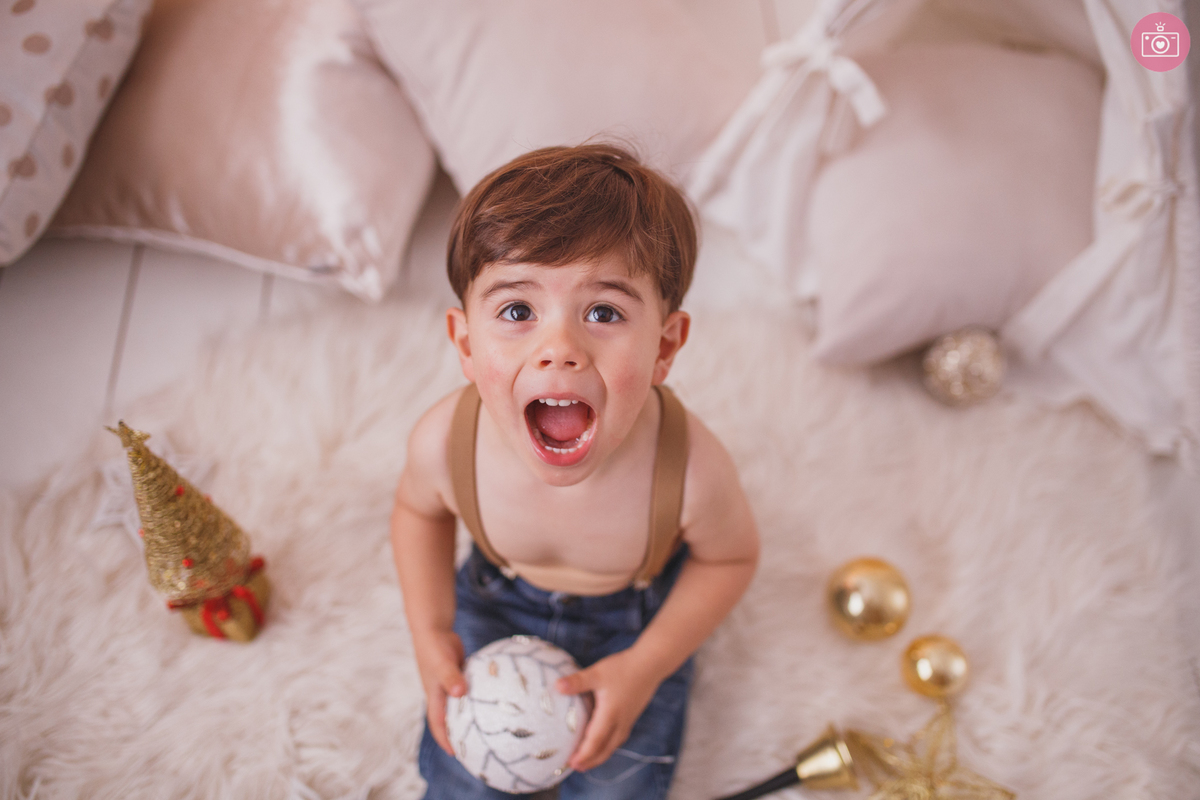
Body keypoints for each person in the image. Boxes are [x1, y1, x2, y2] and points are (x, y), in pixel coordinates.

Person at [391, 143, 760, 799]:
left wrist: (646, 666)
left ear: (664, 347)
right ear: (466, 344)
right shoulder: (448, 441)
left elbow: (729, 561)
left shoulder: (691, 470)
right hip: (495, 599)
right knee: (461, 772)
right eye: (516, 311)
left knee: (619, 781)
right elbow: (418, 513)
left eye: (604, 312)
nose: (559, 348)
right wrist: (431, 632)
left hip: (634, 623)